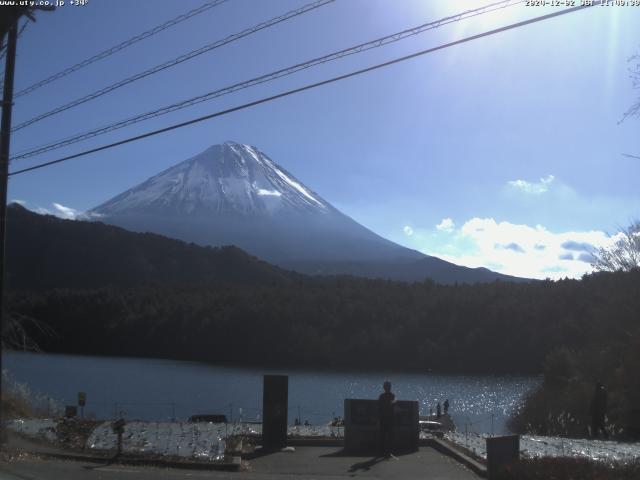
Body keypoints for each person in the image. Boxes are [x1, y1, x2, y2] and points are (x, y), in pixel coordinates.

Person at [378, 380, 395, 459]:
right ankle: (389, 452)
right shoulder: (392, 396)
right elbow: (394, 406)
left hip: (385, 418)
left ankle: (384, 451)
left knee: (384, 435)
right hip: (389, 418)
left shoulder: (381, 396)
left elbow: (379, 408)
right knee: (389, 436)